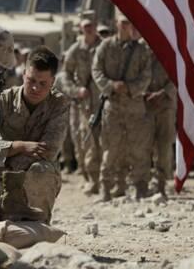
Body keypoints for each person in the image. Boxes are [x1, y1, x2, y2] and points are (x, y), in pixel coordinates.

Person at [0, 41, 70, 224]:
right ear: (23, 74)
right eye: (31, 80)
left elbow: (48, 151)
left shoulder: (59, 105)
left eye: (43, 83)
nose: (35, 88)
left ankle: (38, 225)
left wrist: (6, 158)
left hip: (31, 175)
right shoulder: (3, 101)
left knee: (41, 171)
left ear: (53, 82)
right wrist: (18, 146)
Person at [92, 14, 152, 201]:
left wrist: (130, 88)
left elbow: (146, 75)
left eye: (129, 22)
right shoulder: (105, 46)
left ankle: (140, 187)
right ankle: (106, 188)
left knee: (138, 149)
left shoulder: (141, 49)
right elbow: (96, 70)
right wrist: (110, 86)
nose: (126, 26)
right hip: (113, 105)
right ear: (116, 23)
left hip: (135, 106)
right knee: (111, 148)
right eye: (123, 22)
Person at [63, 19, 104, 195]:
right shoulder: (75, 50)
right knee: (86, 141)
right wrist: (75, 90)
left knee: (107, 141)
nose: (89, 29)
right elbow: (66, 74)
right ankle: (90, 177)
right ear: (81, 28)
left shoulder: (104, 47)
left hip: (105, 101)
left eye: (92, 25)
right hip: (85, 104)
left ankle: (103, 179)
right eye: (86, 26)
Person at [143, 39, 177, 196]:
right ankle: (142, 182)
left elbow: (178, 77)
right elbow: (132, 76)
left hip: (165, 106)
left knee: (164, 146)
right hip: (144, 106)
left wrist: (162, 93)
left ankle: (160, 183)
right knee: (142, 146)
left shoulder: (169, 54)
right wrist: (142, 93)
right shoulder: (140, 53)